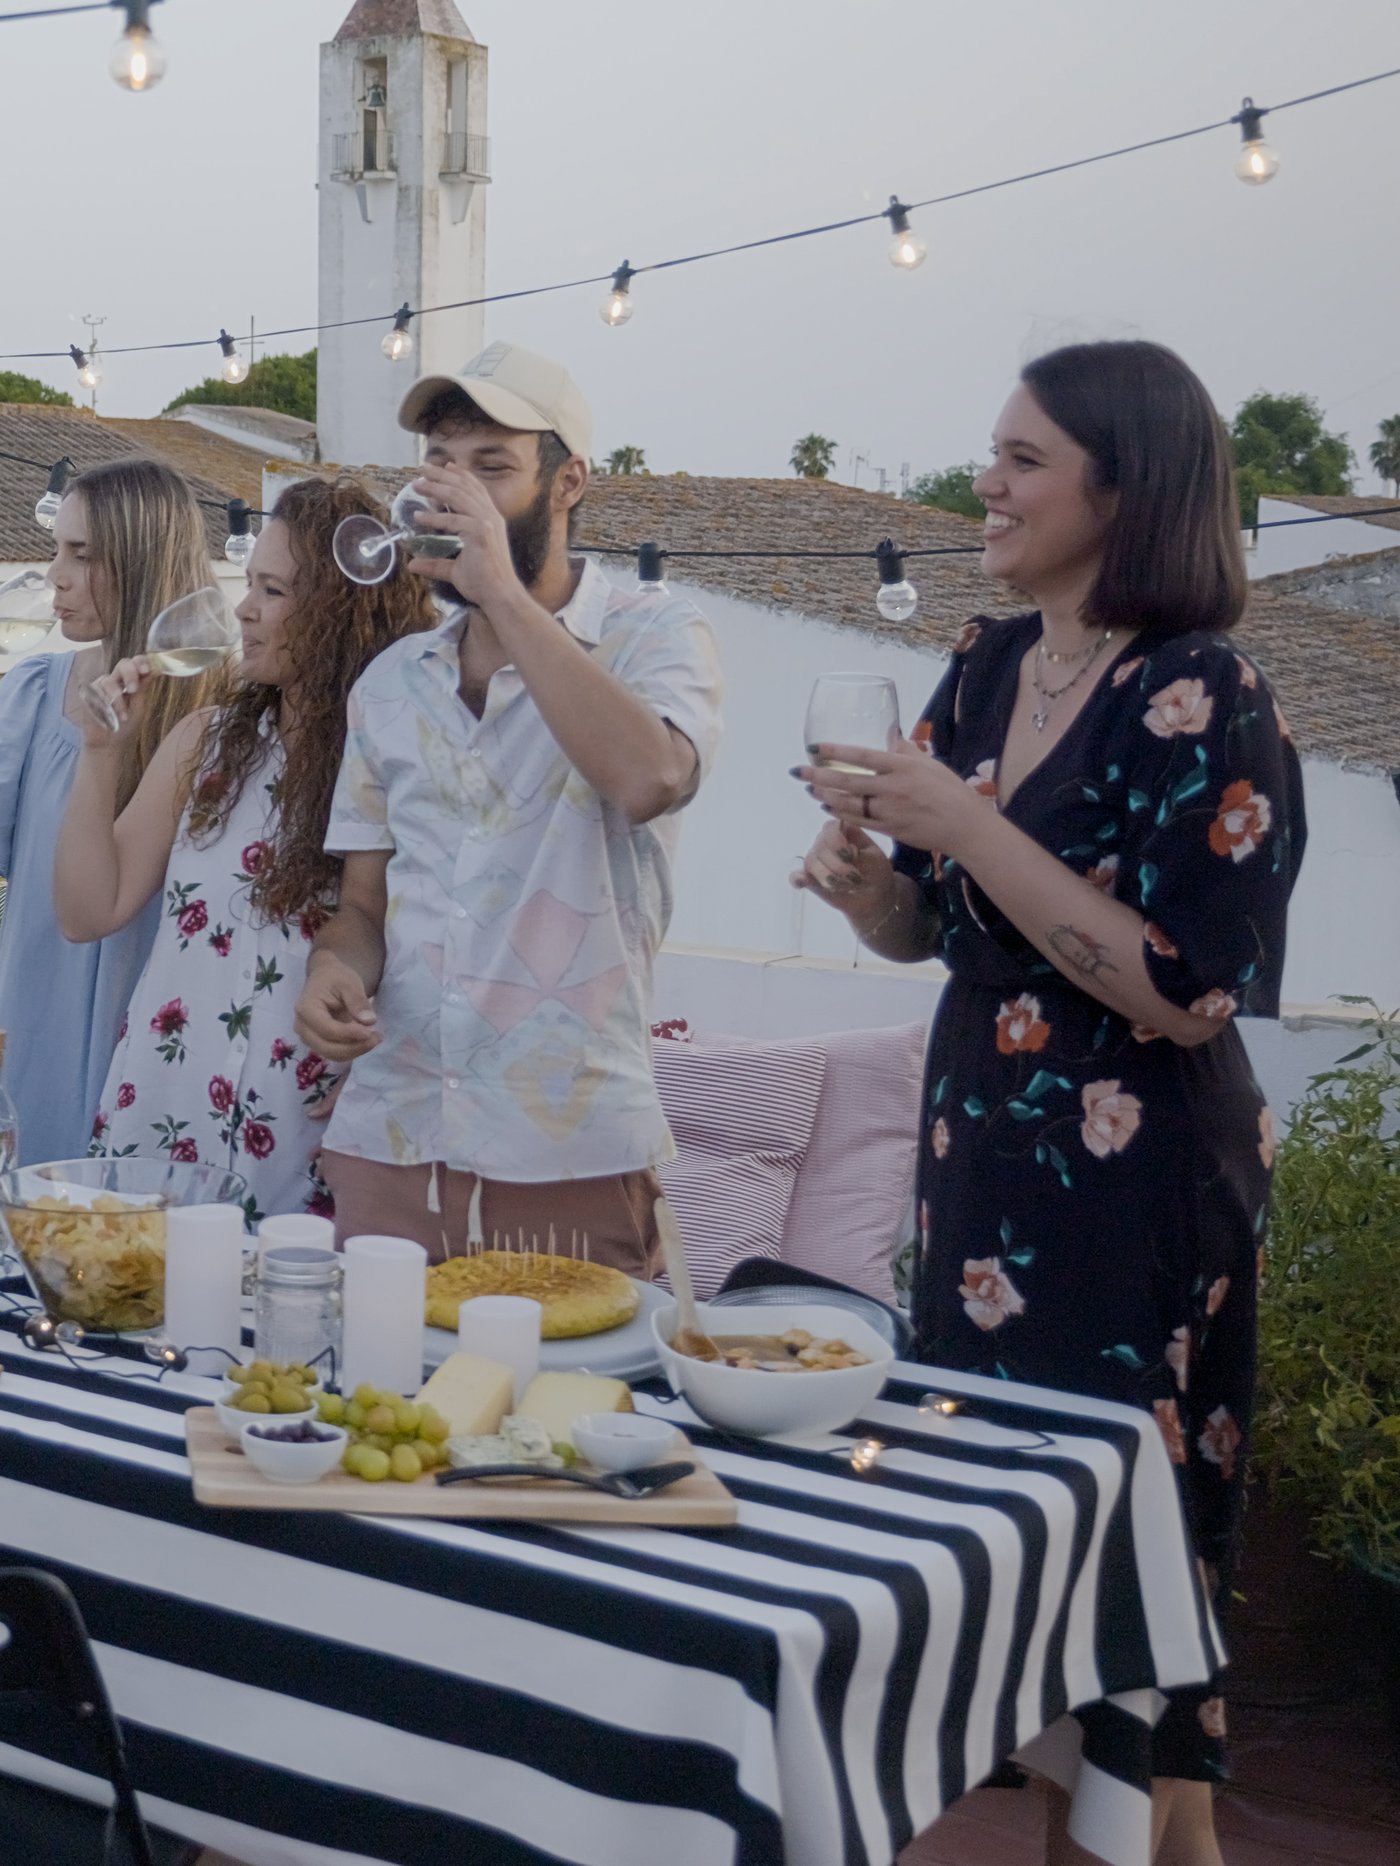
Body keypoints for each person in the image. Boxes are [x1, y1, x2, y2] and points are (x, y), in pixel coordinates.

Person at [792, 340, 1305, 1865]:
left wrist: (966, 821)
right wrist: (878, 886)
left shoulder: (1208, 687)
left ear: (1123, 486)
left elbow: (1188, 983)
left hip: (1141, 1200)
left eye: (1023, 460)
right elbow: (949, 934)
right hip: (985, 1183)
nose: (987, 485)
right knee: (1014, 1593)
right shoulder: (990, 660)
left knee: (1132, 1615)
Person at [293, 342, 722, 1274]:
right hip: (393, 1137)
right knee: (379, 1408)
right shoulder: (391, 682)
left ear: (569, 483)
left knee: (563, 1415)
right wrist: (334, 971)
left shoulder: (654, 634)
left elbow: (650, 778)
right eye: (443, 464)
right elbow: (365, 906)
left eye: (493, 466)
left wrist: (501, 594)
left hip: (570, 1143)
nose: (460, 492)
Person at [53, 475, 436, 1223]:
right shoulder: (208, 742)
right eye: (250, 583)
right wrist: (100, 754)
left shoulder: (392, 761)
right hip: (165, 1112)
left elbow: (415, 946)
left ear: (338, 612)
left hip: (304, 1125)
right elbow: (86, 911)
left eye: (274, 591)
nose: (244, 609)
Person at [0, 459, 220, 1163]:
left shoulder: (218, 719)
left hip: (162, 1041)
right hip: (37, 1018)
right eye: (57, 548)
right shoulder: (35, 695)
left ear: (142, 560)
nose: (55, 575)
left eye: (82, 554)